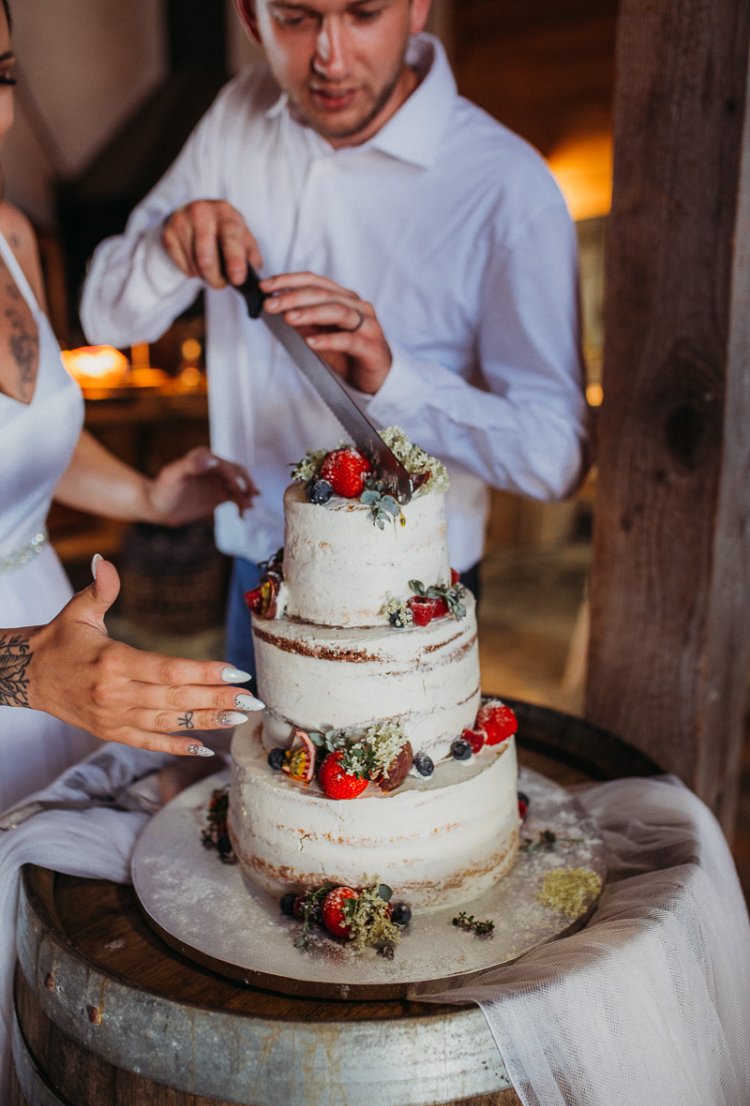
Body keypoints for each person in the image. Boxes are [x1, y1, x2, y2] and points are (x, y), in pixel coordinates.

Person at [81, 0, 589, 676]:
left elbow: (557, 458)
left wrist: (392, 381)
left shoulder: (505, 185)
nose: (331, 58)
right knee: (257, 781)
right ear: (250, 17)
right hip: (254, 571)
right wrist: (168, 247)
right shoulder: (236, 117)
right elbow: (106, 322)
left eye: (362, 13)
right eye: (296, 18)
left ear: (416, 8)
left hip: (409, 592)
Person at [0, 0, 265, 812]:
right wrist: (27, 668)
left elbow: (27, 442)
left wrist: (148, 496)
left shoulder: (10, 237)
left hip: (57, 652)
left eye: (2, 76)